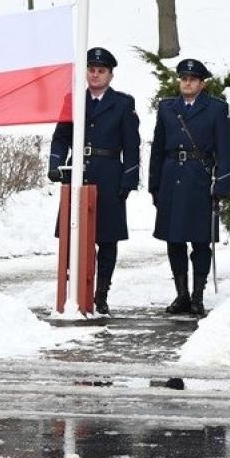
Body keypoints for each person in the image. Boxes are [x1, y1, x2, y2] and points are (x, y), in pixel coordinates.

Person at [48, 47, 139, 314]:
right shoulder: (73, 99)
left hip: (109, 174)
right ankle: (72, 289)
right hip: (78, 173)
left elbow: (131, 145)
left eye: (101, 71)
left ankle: (101, 293)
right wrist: (55, 164)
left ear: (110, 75)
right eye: (91, 70)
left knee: (107, 238)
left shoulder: (123, 103)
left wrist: (129, 178)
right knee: (71, 234)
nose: (95, 75)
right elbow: (61, 136)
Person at [148, 58, 230, 316]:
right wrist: (154, 184)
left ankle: (197, 296)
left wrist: (222, 181)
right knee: (174, 240)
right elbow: (157, 149)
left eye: (193, 79)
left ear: (202, 83)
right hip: (171, 176)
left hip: (200, 178)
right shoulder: (167, 108)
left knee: (200, 240)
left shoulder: (216, 109)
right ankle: (181, 295)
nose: (187, 83)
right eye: (184, 78)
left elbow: (225, 149)